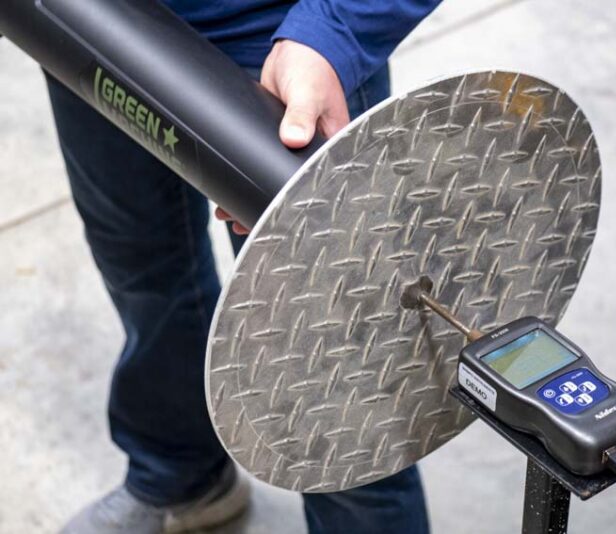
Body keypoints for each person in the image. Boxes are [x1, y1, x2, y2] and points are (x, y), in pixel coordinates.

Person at [51, 1, 441, 532]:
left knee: (339, 382)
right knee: (143, 269)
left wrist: (334, 28)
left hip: (280, 36)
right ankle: (181, 474)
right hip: (90, 14)